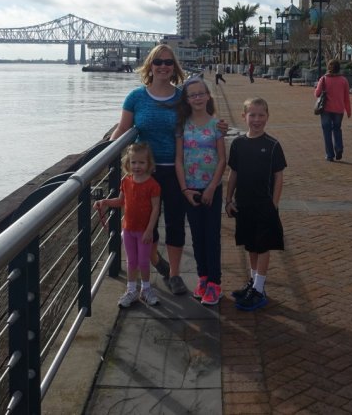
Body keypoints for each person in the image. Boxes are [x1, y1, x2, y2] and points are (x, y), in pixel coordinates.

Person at [110, 44, 228, 296]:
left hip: (177, 170)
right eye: (158, 62)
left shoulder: (180, 98)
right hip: (145, 173)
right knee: (143, 223)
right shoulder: (136, 97)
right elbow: (122, 130)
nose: (163, 66)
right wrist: (104, 152)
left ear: (174, 67)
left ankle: (173, 274)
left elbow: (201, 116)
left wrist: (221, 127)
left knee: (175, 223)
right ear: (149, 66)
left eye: (168, 62)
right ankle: (154, 261)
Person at [225, 97, 286, 312]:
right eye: (252, 115)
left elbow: (279, 177)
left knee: (263, 245)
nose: (257, 119)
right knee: (250, 244)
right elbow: (234, 173)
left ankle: (259, 289)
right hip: (244, 203)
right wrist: (228, 199)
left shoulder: (272, 145)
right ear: (244, 117)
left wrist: (274, 204)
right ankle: (253, 282)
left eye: (261, 115)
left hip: (264, 205)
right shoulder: (239, 143)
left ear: (267, 117)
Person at [175, 77, 227, 306]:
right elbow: (178, 160)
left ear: (208, 96)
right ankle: (203, 278)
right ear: (186, 100)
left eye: (200, 93)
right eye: (192, 95)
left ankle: (215, 283)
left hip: (211, 188)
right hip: (190, 189)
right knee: (196, 236)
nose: (197, 98)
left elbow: (222, 160)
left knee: (212, 236)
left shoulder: (216, 125)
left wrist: (212, 187)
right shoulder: (182, 125)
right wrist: (185, 189)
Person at [95, 143, 162, 307]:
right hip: (128, 229)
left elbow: (155, 209)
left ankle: (146, 290)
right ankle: (131, 290)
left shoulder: (153, 185)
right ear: (128, 163)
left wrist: (149, 230)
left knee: (144, 261)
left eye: (141, 162)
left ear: (149, 164)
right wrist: (105, 202)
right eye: (133, 162)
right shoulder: (126, 181)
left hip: (144, 232)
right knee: (131, 261)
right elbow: (120, 201)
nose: (137, 166)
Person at [313, 59, 352, 161]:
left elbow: (317, 94)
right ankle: (339, 148)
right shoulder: (344, 80)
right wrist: (348, 111)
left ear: (329, 67)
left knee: (327, 131)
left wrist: (317, 88)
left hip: (326, 109)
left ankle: (330, 155)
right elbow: (346, 98)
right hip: (339, 110)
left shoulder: (324, 79)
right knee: (337, 129)